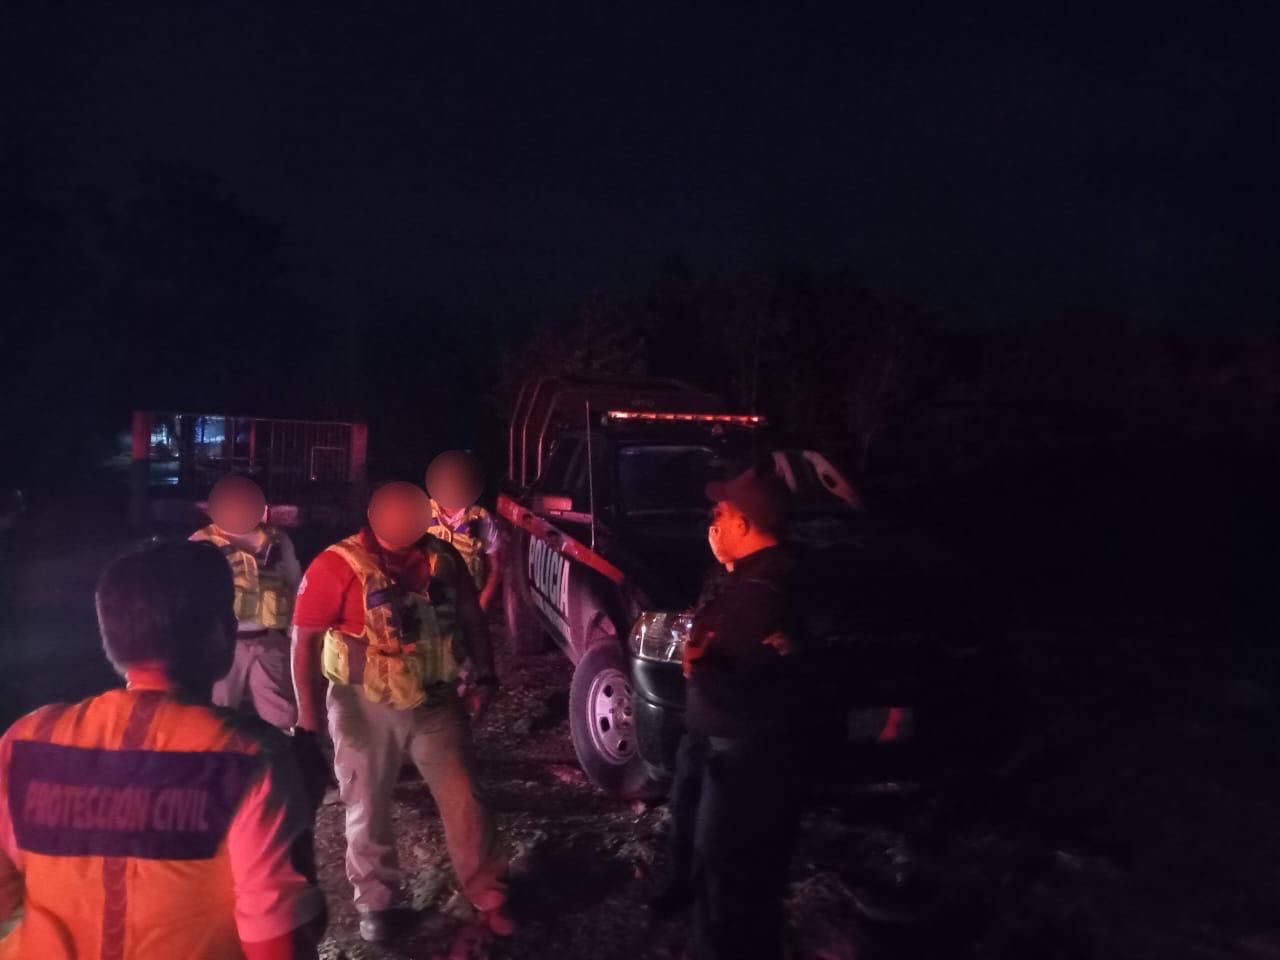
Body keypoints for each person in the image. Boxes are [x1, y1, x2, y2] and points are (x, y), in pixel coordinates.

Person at [0, 539, 326, 960]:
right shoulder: (248, 755)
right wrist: (302, 814)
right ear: (223, 633)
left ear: (111, 638)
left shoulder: (27, 739)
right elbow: (278, 941)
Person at [290, 481, 511, 943]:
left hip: (436, 699)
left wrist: (486, 675)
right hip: (364, 703)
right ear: (373, 514)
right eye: (393, 511)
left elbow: (471, 617)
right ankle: (378, 906)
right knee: (366, 802)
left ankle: (489, 891)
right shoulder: (337, 564)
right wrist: (308, 717)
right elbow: (304, 640)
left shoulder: (443, 559)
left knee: (466, 795)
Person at [653, 467, 801, 960]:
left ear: (745, 524)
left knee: (727, 868)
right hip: (710, 739)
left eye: (721, 513)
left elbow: (749, 676)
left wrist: (701, 665)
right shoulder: (748, 576)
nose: (711, 524)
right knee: (692, 832)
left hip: (741, 757)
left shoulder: (773, 588)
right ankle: (682, 897)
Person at [191, 475, 302, 731]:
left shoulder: (278, 541)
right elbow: (186, 593)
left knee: (281, 714)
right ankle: (214, 765)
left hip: (270, 641)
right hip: (221, 644)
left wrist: (293, 632)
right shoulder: (201, 542)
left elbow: (295, 583)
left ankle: (281, 764)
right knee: (215, 714)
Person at [424, 451, 504, 612]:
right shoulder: (422, 510)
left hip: (467, 602)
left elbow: (497, 566)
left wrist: (482, 605)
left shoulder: (480, 517)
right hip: (428, 602)